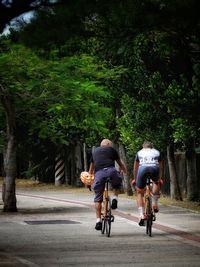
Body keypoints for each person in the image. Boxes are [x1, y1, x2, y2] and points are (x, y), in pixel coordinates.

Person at [89, 139, 127, 231]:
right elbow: (120, 164)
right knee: (116, 184)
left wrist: (90, 182)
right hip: (111, 171)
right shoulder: (112, 150)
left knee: (98, 198)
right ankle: (115, 198)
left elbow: (91, 169)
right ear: (109, 144)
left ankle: (98, 221)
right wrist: (124, 172)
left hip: (99, 174)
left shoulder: (95, 152)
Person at [132, 141, 163, 226]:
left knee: (139, 192)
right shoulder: (157, 152)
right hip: (154, 169)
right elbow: (160, 166)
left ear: (143, 147)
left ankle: (142, 215)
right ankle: (155, 203)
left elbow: (135, 167)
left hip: (142, 170)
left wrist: (135, 179)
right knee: (156, 183)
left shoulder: (139, 152)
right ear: (151, 147)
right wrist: (159, 178)